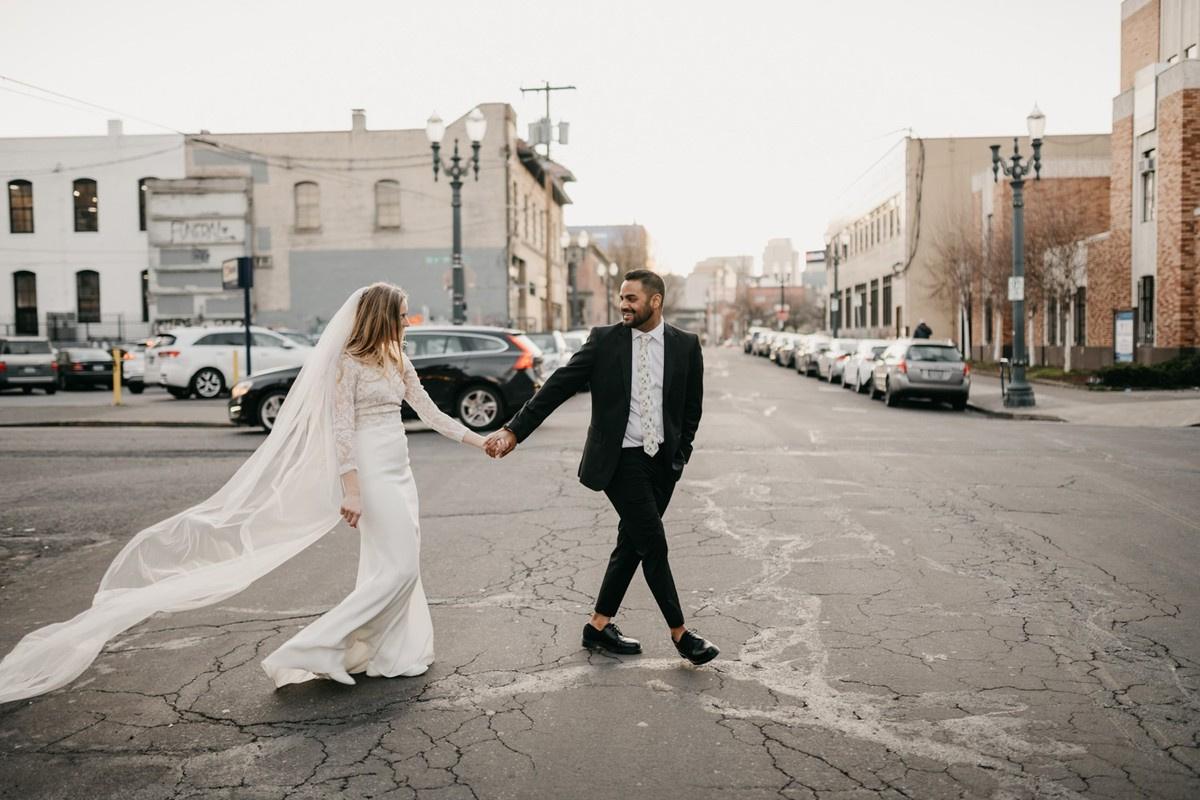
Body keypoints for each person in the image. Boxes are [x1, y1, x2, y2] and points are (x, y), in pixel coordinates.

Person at [0, 283, 491, 703]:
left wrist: (481, 439)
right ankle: (312, 648)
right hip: (371, 474)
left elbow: (430, 414)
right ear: (383, 316)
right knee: (399, 568)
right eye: (403, 313)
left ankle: (386, 651)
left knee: (393, 567)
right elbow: (341, 430)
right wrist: (353, 490)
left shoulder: (397, 359)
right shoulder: (348, 363)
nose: (409, 319)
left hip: (399, 468)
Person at [485, 269, 720, 666]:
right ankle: (681, 635)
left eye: (632, 298)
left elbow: (691, 408)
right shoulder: (604, 341)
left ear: (655, 301)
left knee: (631, 544)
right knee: (653, 542)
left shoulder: (685, 345)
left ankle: (597, 627)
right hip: (619, 461)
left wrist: (681, 454)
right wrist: (513, 431)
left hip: (661, 463)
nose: (623, 305)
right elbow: (557, 386)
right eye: (621, 298)